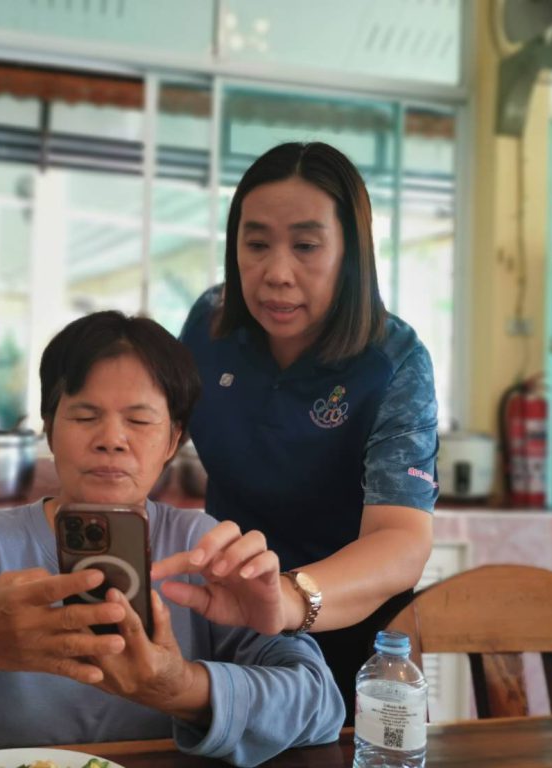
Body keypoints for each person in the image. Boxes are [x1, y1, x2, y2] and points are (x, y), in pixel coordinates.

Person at [0, 311, 344, 768]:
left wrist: (181, 688)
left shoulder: (202, 553)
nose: (111, 439)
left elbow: (322, 708)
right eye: (85, 415)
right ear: (49, 429)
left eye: (139, 420)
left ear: (174, 439)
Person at [158, 141, 437, 722]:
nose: (276, 274)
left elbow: (401, 541)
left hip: (351, 636)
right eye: (256, 244)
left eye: (306, 246)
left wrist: (287, 597)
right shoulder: (210, 325)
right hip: (228, 624)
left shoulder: (394, 361)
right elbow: (155, 435)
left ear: (351, 252)